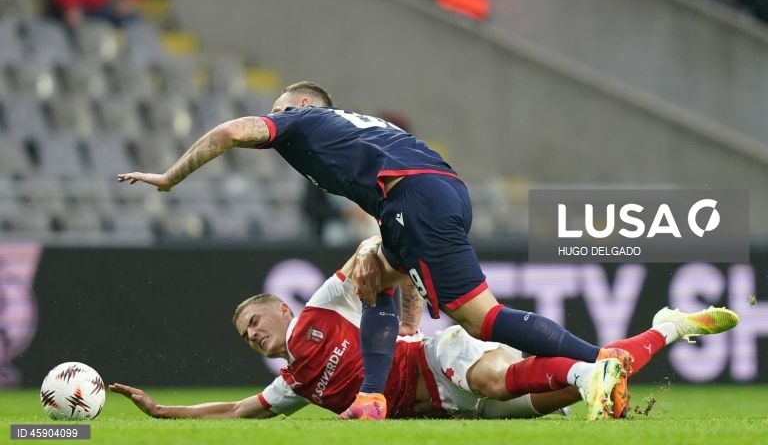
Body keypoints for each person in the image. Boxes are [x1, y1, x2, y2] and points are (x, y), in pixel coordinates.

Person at [117, 81, 634, 420]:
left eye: (276, 111)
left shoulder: (300, 122)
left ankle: (603, 363)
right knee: (373, 268)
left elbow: (231, 132)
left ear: (300, 106)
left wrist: (169, 177)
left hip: (414, 196)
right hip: (431, 192)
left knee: (483, 319)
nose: (271, 123)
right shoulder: (354, 126)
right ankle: (374, 392)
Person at [109, 238, 740, 421]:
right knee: (581, 388)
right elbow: (240, 411)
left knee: (499, 378)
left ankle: (585, 369)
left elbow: (382, 250)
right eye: (241, 333)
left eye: (252, 319)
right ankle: (670, 327)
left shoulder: (326, 306)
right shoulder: (295, 384)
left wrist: (368, 245)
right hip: (450, 412)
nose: (249, 333)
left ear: (280, 309)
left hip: (439, 358)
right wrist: (163, 412)